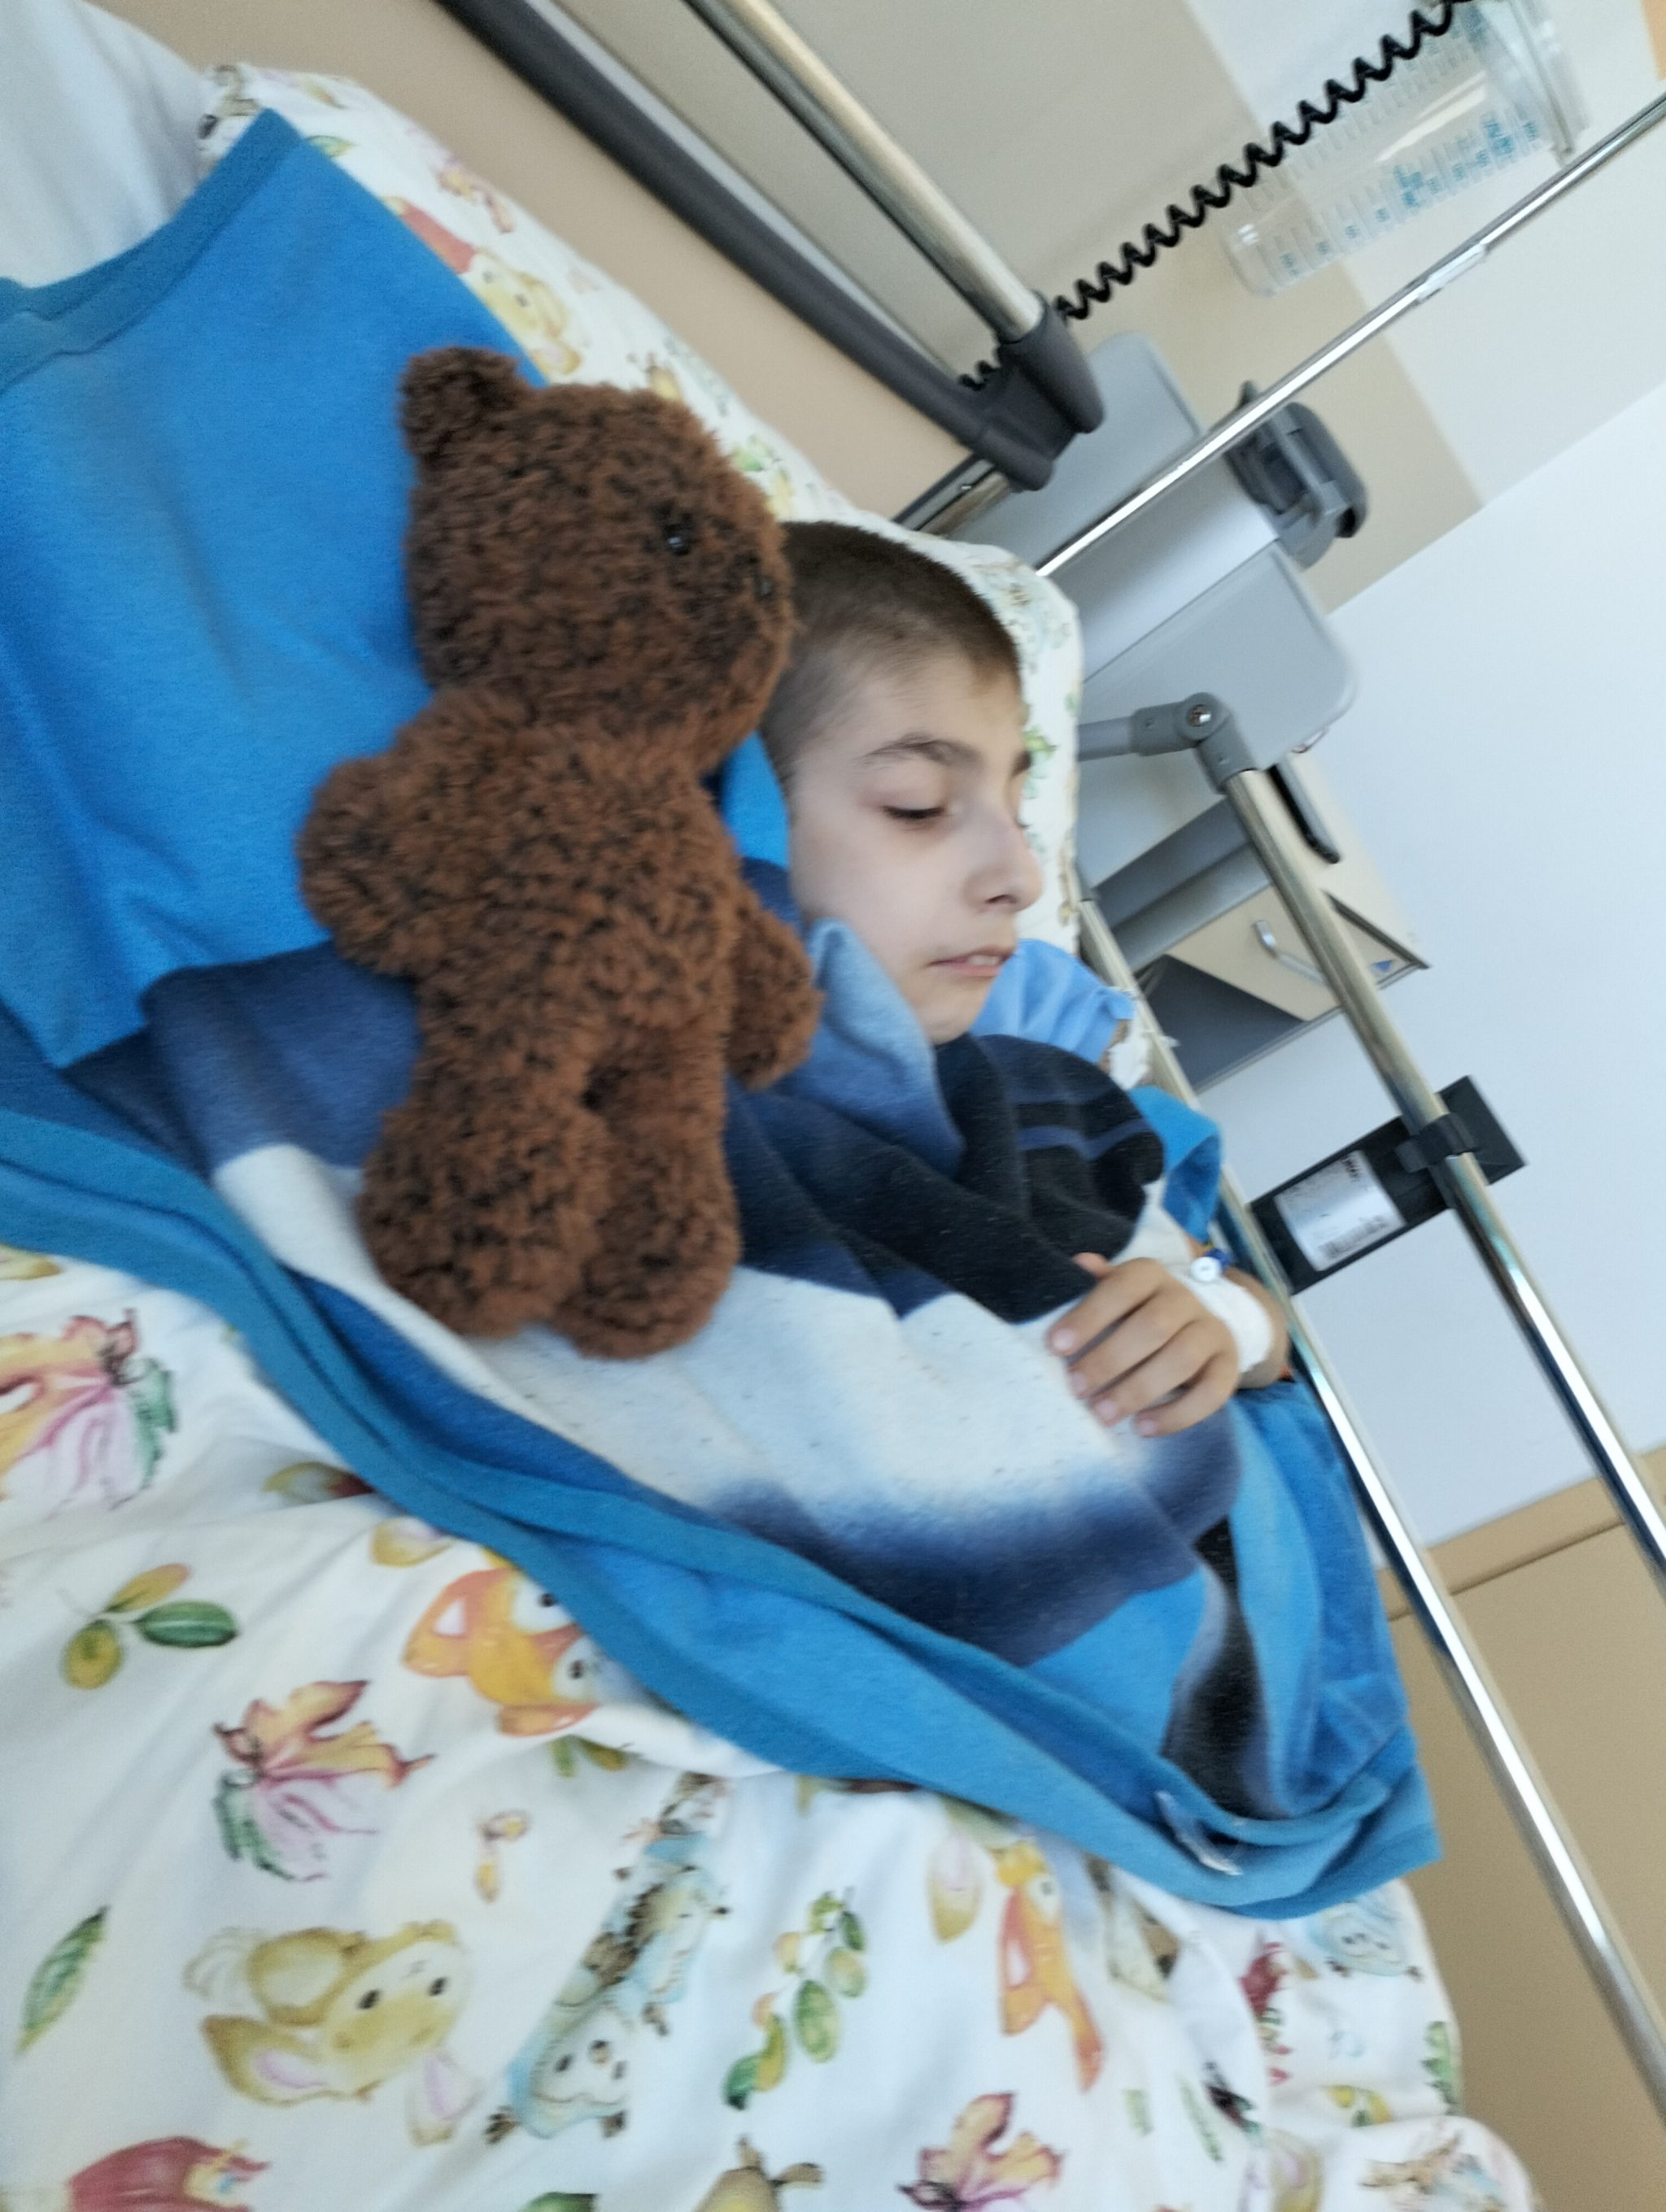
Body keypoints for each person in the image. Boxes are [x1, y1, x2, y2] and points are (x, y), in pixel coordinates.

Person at [759, 520, 1288, 1437]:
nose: (1023, 877)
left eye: (1014, 808)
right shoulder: (681, 1126)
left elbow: (1261, 1327)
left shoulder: (1049, 1083)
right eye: (919, 807)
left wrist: (1222, 1320)